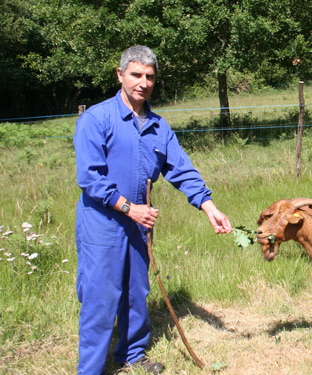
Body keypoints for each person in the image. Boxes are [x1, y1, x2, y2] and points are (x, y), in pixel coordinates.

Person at [74, 45, 232, 375]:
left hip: (138, 225)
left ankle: (132, 354)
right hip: (103, 223)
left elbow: (181, 169)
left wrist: (209, 206)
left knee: (135, 292)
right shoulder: (97, 119)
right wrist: (129, 208)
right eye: (136, 75)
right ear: (120, 75)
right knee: (101, 298)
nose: (143, 82)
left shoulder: (159, 127)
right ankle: (90, 369)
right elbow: (90, 177)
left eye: (149, 76)